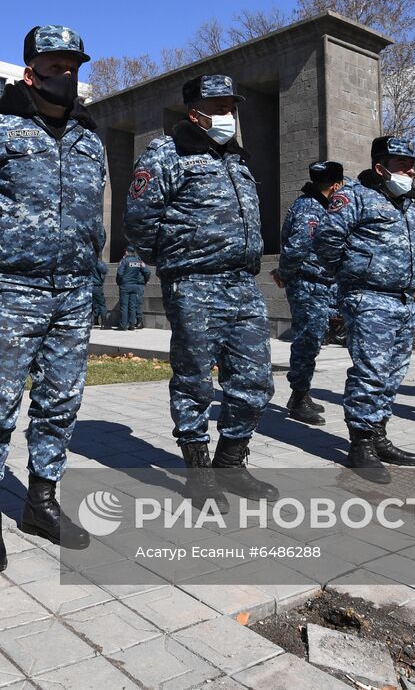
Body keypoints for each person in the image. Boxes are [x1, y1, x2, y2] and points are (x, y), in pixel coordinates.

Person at [0, 24, 106, 573]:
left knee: (62, 401)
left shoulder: (89, 136)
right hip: (16, 288)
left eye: (74, 66)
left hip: (75, 291)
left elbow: (92, 213)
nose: (67, 75)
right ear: (31, 69)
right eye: (56, 66)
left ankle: (41, 502)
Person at [125, 74, 277, 510]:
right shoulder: (166, 154)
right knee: (195, 380)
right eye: (220, 106)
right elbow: (139, 218)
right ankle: (198, 472)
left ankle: (231, 462)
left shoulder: (236, 159)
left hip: (242, 284)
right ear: (196, 112)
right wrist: (175, 260)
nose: (229, 114)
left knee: (254, 379)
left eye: (232, 104)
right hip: (195, 283)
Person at [314, 135, 415, 484]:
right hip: (369, 298)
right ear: (381, 167)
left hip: (403, 299)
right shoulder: (355, 197)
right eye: (401, 164)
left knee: (393, 373)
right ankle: (360, 444)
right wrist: (350, 274)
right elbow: (326, 240)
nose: (409, 170)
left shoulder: (409, 205)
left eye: (412, 164)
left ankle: (378, 434)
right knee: (371, 372)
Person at [273, 160, 342, 426]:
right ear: (335, 185)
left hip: (317, 282)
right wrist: (284, 273)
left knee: (313, 337)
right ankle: (298, 397)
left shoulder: (315, 204)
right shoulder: (310, 208)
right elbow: (297, 246)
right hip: (306, 282)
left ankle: (302, 392)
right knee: (308, 338)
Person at [115, 245, 151, 331]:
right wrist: (146, 280)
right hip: (134, 285)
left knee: (124, 306)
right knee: (132, 306)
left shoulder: (124, 261)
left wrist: (118, 282)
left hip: (125, 285)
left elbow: (120, 273)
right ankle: (132, 325)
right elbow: (146, 271)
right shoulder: (138, 261)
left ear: (127, 252)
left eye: (125, 251)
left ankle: (123, 325)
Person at [90, 259, 109, 328]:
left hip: (88, 286)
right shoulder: (96, 261)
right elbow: (104, 270)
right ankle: (104, 323)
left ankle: (92, 321)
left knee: (92, 304)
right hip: (96, 285)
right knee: (101, 304)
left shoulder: (86, 260)